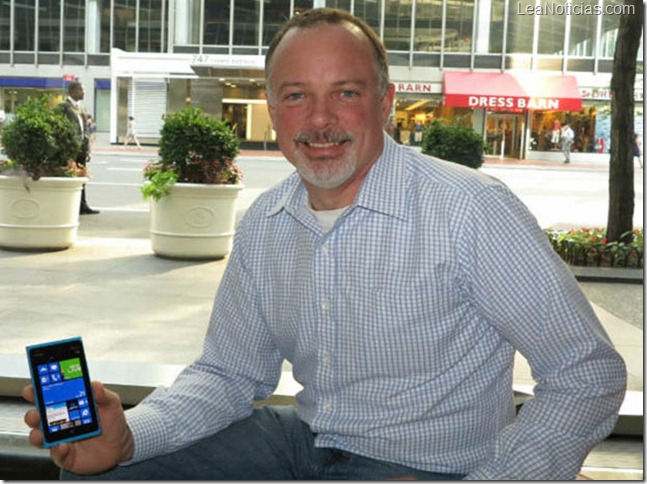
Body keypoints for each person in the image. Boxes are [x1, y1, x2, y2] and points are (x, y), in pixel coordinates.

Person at [23, 8, 626, 481]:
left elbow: (586, 374)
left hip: (430, 465)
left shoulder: (469, 210)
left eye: (345, 92)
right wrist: (131, 435)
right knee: (102, 471)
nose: (318, 120)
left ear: (385, 103)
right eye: (295, 96)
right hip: (302, 442)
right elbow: (229, 373)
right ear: (273, 109)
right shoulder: (267, 222)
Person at [58, 81, 99, 215]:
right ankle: (68, 206)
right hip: (70, 148)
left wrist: (87, 148)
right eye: (81, 90)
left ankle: (82, 205)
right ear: (72, 92)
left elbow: (85, 128)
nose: (84, 93)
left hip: (81, 148)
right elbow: (59, 128)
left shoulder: (82, 107)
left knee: (81, 176)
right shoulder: (64, 107)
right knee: (70, 176)